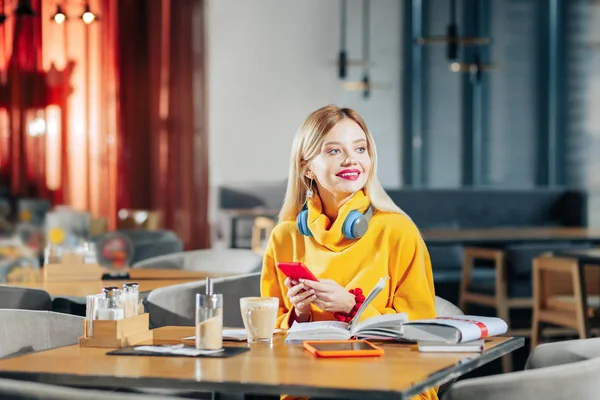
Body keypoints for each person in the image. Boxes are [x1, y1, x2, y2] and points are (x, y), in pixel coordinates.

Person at [260, 105, 438, 400]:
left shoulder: (397, 230)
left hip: (387, 383)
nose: (351, 160)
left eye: (360, 148)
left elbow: (421, 330)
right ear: (306, 167)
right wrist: (300, 315)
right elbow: (267, 338)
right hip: (310, 385)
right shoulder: (285, 237)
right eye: (334, 151)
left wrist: (352, 306)